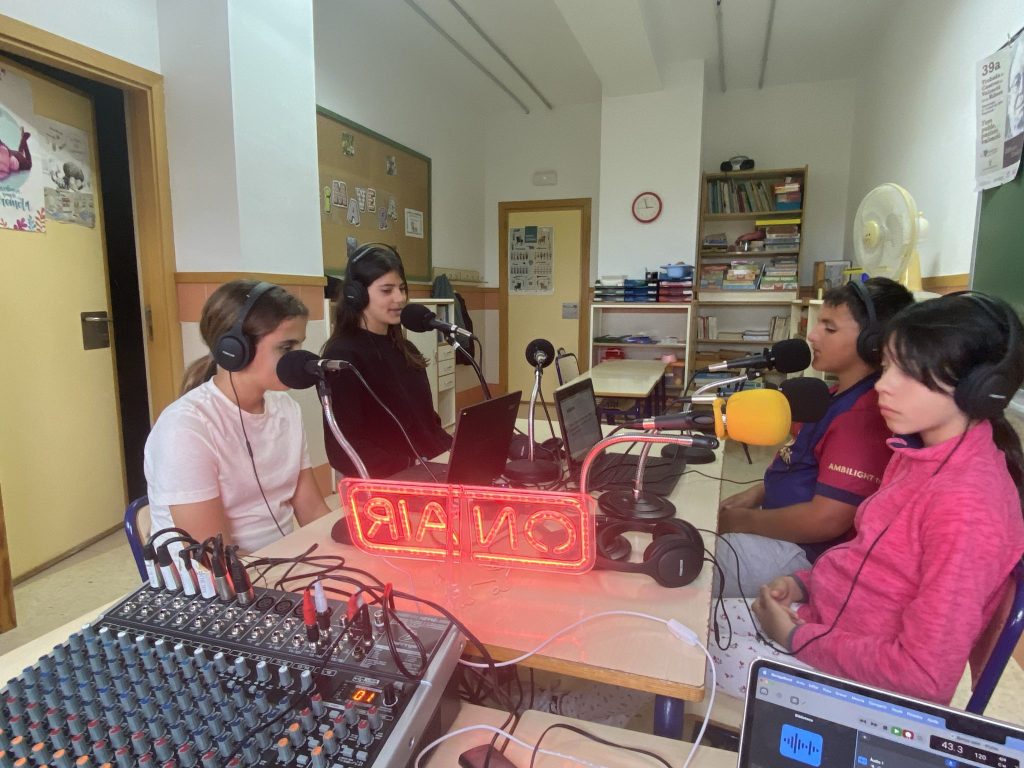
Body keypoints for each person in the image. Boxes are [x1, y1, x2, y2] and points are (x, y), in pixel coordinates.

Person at [715, 292, 1024, 704]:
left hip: (856, 686)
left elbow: (922, 679)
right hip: (824, 628)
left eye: (909, 372)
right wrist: (802, 584)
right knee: (678, 613)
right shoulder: (915, 454)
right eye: (888, 366)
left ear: (979, 391)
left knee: (667, 639)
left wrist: (794, 636)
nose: (883, 385)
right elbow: (868, 564)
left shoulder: (968, 506)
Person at [716, 278, 914, 597]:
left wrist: (743, 521)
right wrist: (758, 493)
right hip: (782, 534)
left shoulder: (861, 416)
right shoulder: (833, 395)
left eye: (829, 328)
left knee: (690, 560)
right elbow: (804, 467)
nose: (812, 335)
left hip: (805, 556)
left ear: (873, 343)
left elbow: (827, 519)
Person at [144, 280, 330, 553]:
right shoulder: (185, 428)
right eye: (286, 348)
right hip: (217, 573)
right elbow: (213, 554)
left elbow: (311, 509)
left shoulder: (287, 409)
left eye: (300, 345)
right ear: (234, 350)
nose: (298, 359)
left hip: (280, 562)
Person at [322, 243, 451, 477]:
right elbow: (344, 450)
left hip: (429, 468)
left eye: (401, 288)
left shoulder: (406, 349)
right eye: (387, 290)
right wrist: (412, 465)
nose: (400, 298)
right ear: (356, 295)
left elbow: (427, 425)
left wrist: (456, 450)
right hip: (392, 479)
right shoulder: (341, 357)